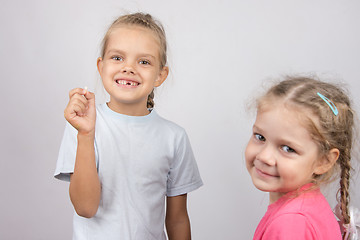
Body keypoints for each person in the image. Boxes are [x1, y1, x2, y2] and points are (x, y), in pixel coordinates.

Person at [54, 12, 203, 240]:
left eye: (143, 61)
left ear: (160, 75)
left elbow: (178, 219)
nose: (129, 68)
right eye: (117, 58)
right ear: (101, 66)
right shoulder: (82, 125)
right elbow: (85, 208)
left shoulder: (174, 137)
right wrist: (85, 134)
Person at [245, 76, 358, 239]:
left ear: (324, 161)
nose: (264, 157)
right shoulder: (306, 207)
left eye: (287, 148)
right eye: (260, 137)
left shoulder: (290, 223)